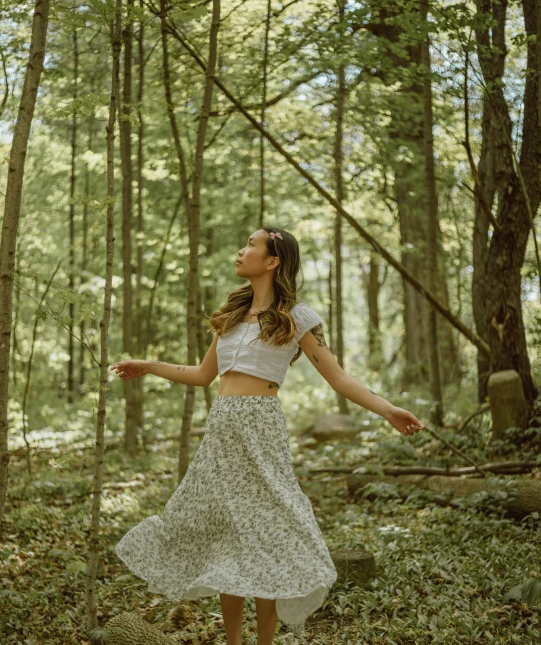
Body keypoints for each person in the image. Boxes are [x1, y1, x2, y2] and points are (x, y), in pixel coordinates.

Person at [110, 226, 424, 645]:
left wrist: (387, 409)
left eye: (251, 246)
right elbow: (202, 375)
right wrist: (147, 365)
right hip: (222, 430)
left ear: (272, 261)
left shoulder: (298, 317)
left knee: (265, 537)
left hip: (261, 429)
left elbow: (338, 377)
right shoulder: (229, 317)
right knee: (227, 538)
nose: (241, 251)